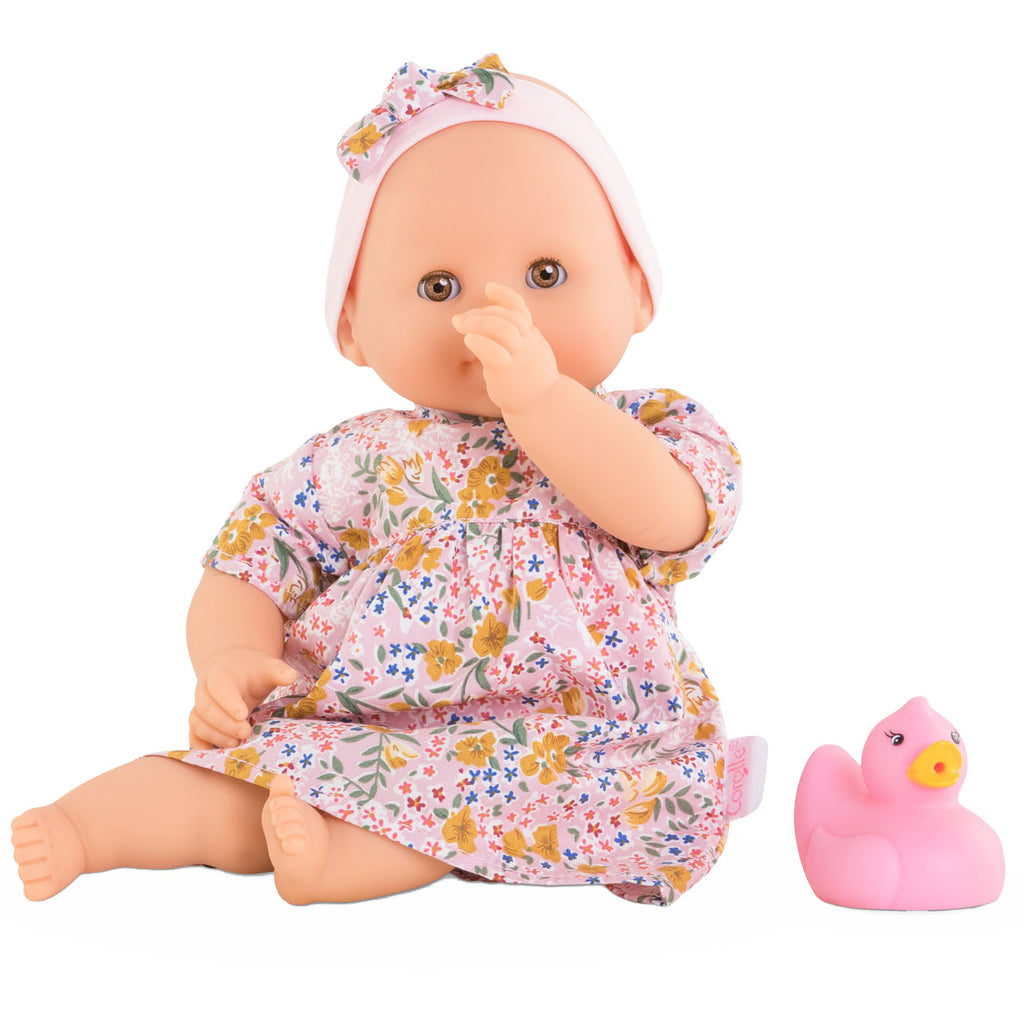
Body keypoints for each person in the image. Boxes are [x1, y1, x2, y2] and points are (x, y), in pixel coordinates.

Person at [12, 55, 763, 908]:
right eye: (438, 287)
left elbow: (671, 516)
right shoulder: (362, 457)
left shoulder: (652, 428)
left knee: (595, 802)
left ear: (637, 289)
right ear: (353, 327)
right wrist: (230, 655)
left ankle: (348, 856)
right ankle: (88, 829)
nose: (499, 314)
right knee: (253, 785)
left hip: (579, 737)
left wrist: (544, 402)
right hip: (368, 727)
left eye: (546, 275)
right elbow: (253, 555)